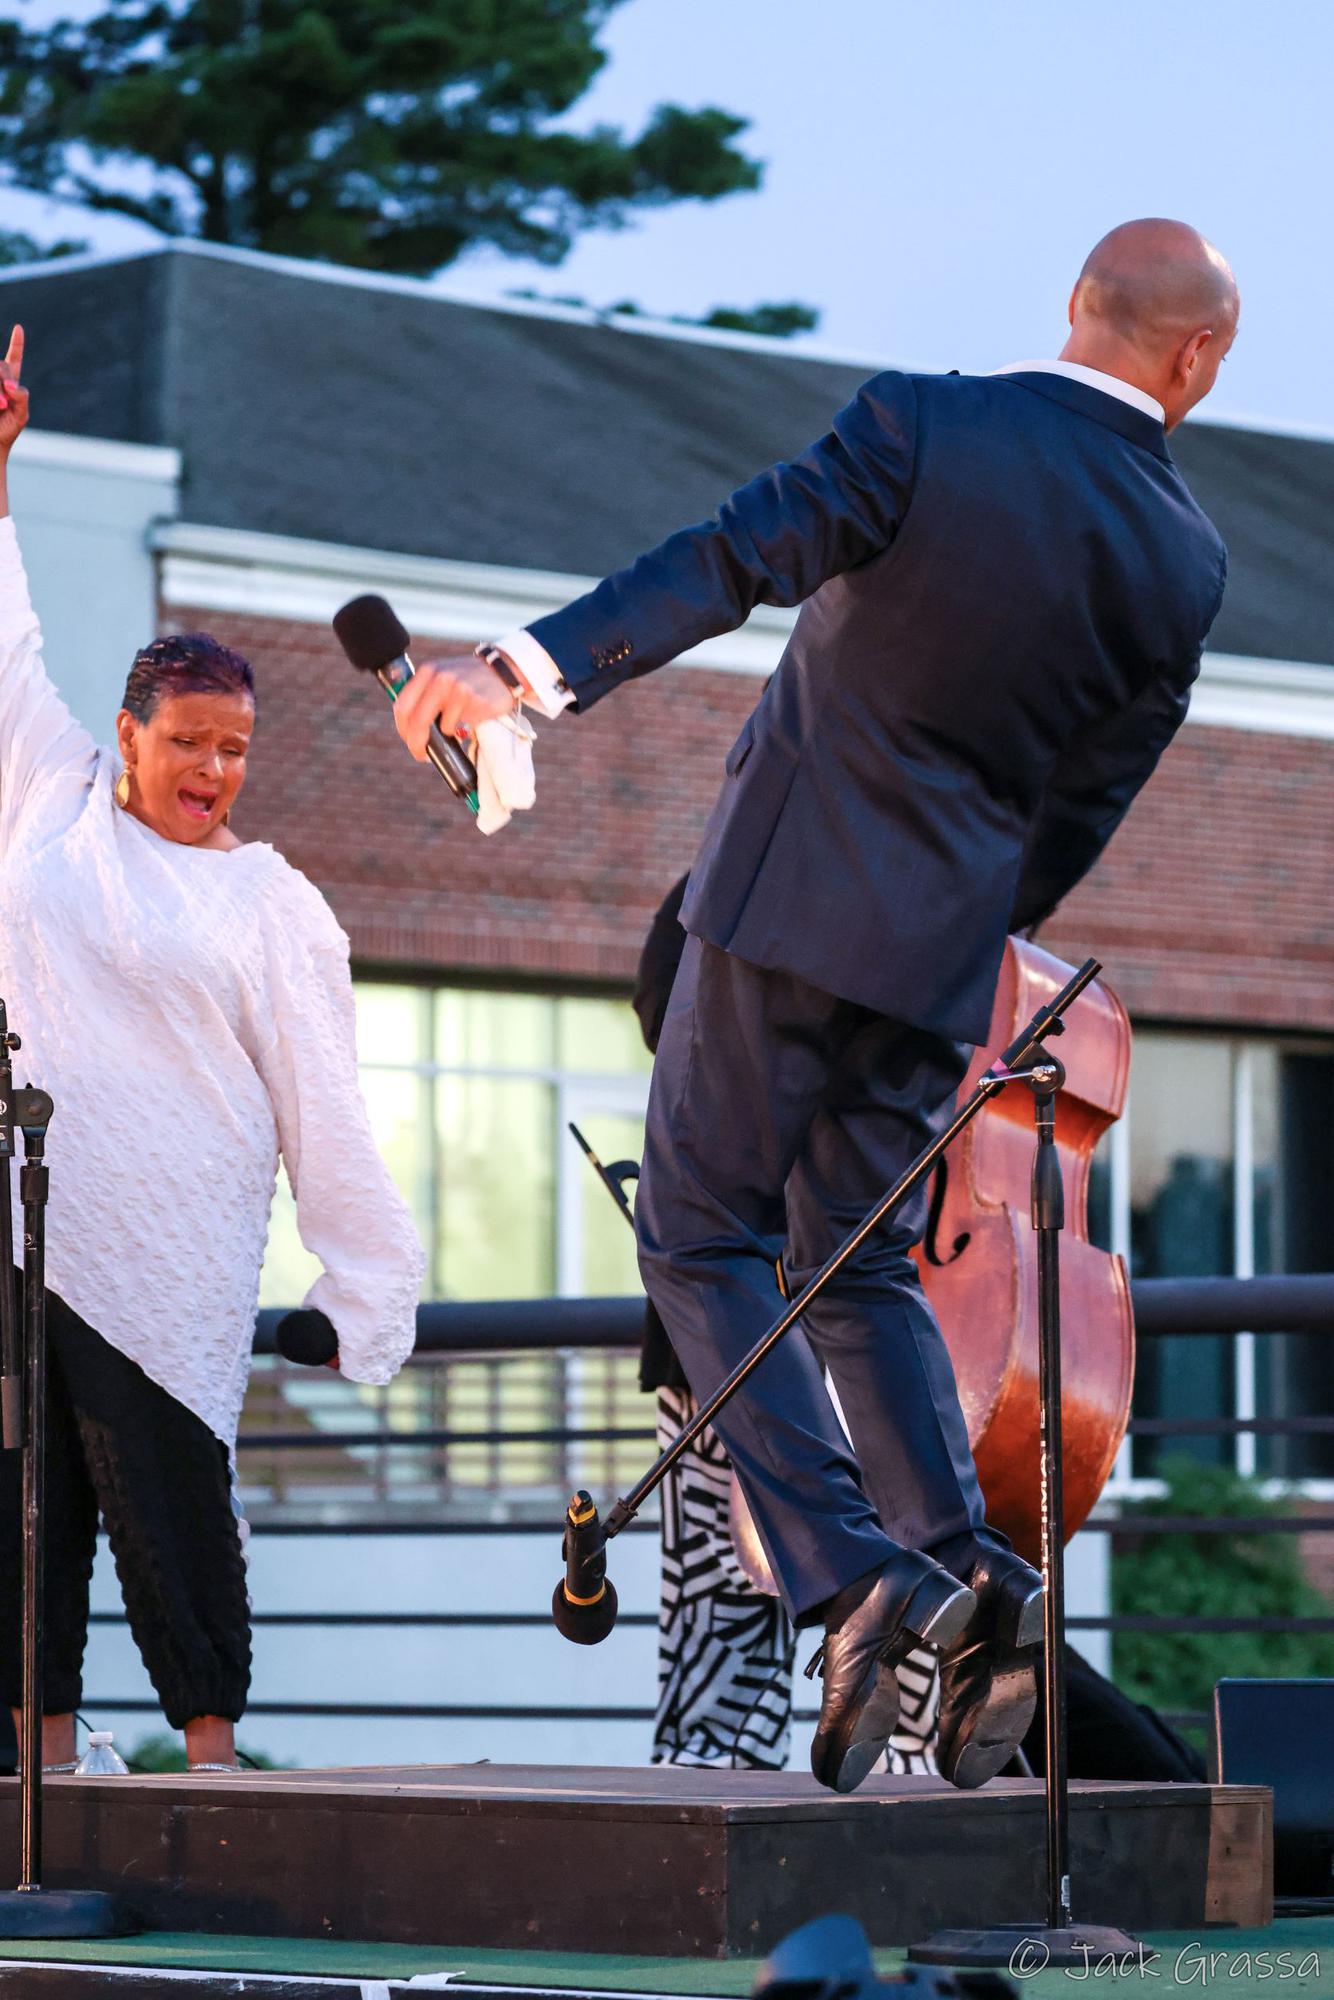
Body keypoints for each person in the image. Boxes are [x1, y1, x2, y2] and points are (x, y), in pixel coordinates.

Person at [392, 219, 1236, 1794]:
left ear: (1073, 306)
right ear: (1197, 357)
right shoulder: (1184, 557)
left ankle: (856, 1580)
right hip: (943, 958)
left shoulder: (924, 423)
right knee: (858, 1268)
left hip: (782, 901)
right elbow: (1088, 798)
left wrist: (525, 672)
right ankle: (970, 1577)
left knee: (697, 1227)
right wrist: (970, 925)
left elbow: (733, 555)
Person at [0, 328, 424, 1773]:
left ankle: (215, 1766)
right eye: (188, 741)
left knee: (170, 1504)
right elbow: (5, 641)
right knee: (25, 1510)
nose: (213, 770)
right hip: (26, 1219)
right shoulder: (51, 796)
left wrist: (363, 1285)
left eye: (234, 748)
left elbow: (323, 1102)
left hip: (173, 1240)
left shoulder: (270, 902)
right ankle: (37, 1770)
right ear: (128, 734)